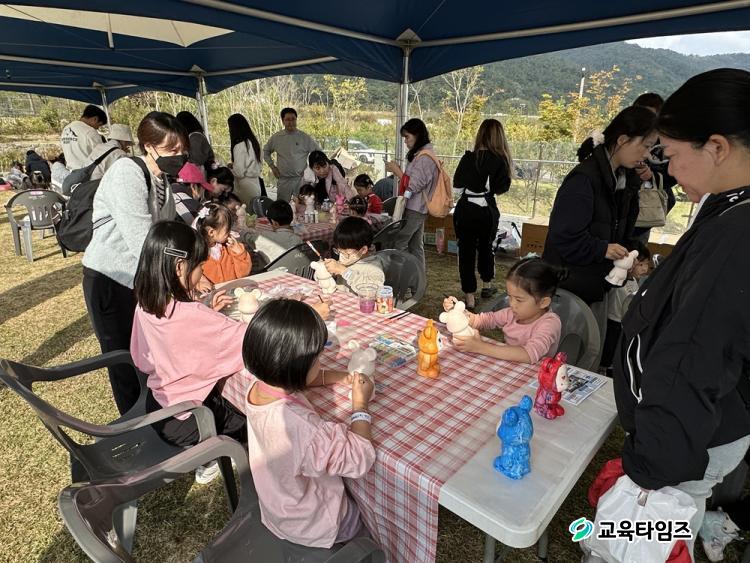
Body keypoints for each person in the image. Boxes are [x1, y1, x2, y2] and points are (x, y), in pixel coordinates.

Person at [610, 69, 750, 559]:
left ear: (716, 147)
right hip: (704, 429)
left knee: (656, 541)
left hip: (688, 442)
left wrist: (651, 467)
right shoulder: (729, 209)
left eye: (670, 154)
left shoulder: (736, 233)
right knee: (672, 532)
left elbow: (694, 356)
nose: (668, 170)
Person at [243, 298, 376, 547]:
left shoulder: (259, 385)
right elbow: (359, 458)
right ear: (296, 367)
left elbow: (300, 378)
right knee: (369, 526)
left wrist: (341, 377)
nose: (321, 363)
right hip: (316, 521)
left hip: (279, 507)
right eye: (317, 360)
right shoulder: (302, 427)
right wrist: (360, 405)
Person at [82, 111, 184, 415]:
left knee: (148, 354)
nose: (179, 156)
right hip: (111, 279)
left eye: (182, 149)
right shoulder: (127, 172)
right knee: (124, 360)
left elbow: (168, 230)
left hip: (139, 279)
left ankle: (156, 414)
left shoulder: (161, 178)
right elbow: (143, 241)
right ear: (149, 146)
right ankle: (134, 425)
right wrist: (179, 276)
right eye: (172, 150)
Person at [131, 221, 245, 484]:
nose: (202, 272)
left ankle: (206, 453)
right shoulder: (192, 315)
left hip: (158, 408)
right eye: (200, 266)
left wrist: (207, 313)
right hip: (191, 420)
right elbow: (250, 341)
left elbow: (142, 357)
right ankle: (210, 456)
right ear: (180, 267)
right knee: (248, 418)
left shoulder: (146, 305)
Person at [543, 106, 657, 306]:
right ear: (623, 140)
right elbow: (564, 236)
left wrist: (633, 253)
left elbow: (622, 231)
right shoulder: (584, 180)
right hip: (566, 287)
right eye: (646, 146)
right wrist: (603, 249)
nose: (647, 154)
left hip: (595, 283)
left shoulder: (625, 179)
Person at [442, 257, 562, 364]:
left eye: (519, 300)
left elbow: (528, 355)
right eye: (510, 296)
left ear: (543, 302)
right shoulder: (511, 313)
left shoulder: (550, 323)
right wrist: (459, 313)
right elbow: (483, 320)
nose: (512, 304)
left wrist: (480, 347)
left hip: (536, 377)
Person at [452, 118, 513, 310]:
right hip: (487, 210)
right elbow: (502, 188)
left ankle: (469, 297)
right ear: (499, 137)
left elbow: (457, 187)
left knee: (466, 251)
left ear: (480, 135)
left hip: (465, 210)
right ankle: (487, 285)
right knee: (487, 247)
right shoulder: (501, 160)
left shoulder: (468, 158)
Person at [385, 118, 438, 274]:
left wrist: (397, 171)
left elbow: (414, 185)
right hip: (418, 207)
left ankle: (405, 277)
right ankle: (417, 280)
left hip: (416, 207)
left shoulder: (424, 158)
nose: (405, 141)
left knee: (400, 242)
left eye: (407, 137)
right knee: (415, 246)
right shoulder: (423, 155)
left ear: (417, 135)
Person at [598, 243, 650, 373]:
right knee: (608, 350)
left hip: (624, 324)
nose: (645, 269)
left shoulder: (634, 281)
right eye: (641, 264)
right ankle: (603, 369)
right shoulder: (618, 281)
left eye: (647, 264)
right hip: (613, 322)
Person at [263, 107, 321, 202]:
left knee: (302, 206)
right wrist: (272, 167)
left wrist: (311, 169)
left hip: (301, 180)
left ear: (296, 120)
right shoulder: (277, 137)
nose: (291, 122)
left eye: (293, 119)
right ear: (283, 121)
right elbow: (265, 152)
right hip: (283, 180)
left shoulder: (304, 137)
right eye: (288, 120)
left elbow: (318, 153)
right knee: (282, 206)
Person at [195, 202, 251, 286]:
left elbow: (243, 274)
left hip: (233, 289)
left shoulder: (229, 247)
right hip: (213, 293)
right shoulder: (197, 253)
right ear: (211, 232)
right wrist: (200, 282)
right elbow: (190, 274)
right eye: (227, 229)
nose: (229, 232)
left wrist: (239, 253)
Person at [324, 217, 385, 292]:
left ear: (363, 250)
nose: (341, 257)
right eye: (339, 252)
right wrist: (329, 272)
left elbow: (374, 291)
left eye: (346, 253)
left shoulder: (374, 267)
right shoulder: (350, 259)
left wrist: (343, 271)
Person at [244, 200, 302, 268]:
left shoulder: (264, 237)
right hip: (293, 271)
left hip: (270, 272)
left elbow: (246, 237)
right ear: (291, 218)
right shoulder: (298, 239)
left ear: (274, 222)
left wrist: (247, 229)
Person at [228, 113, 263, 204]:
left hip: (245, 186)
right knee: (254, 210)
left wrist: (230, 168)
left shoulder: (240, 145)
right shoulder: (254, 143)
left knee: (246, 211)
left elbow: (239, 172)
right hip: (256, 183)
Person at [60, 104, 107, 169]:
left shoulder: (66, 129)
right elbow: (102, 157)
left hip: (71, 172)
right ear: (95, 119)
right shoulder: (90, 132)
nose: (97, 128)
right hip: (88, 172)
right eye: (99, 125)